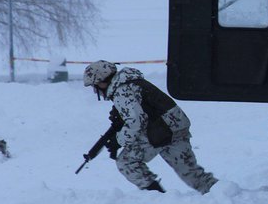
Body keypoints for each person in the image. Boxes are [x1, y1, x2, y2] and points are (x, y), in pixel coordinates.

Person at [83, 60, 217, 194]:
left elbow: (136, 122)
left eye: (95, 86)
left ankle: (155, 197)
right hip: (176, 126)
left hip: (161, 131)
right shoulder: (132, 82)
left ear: (101, 81)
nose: (96, 91)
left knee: (127, 162)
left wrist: (118, 140)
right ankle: (222, 194)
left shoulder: (121, 91)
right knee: (190, 173)